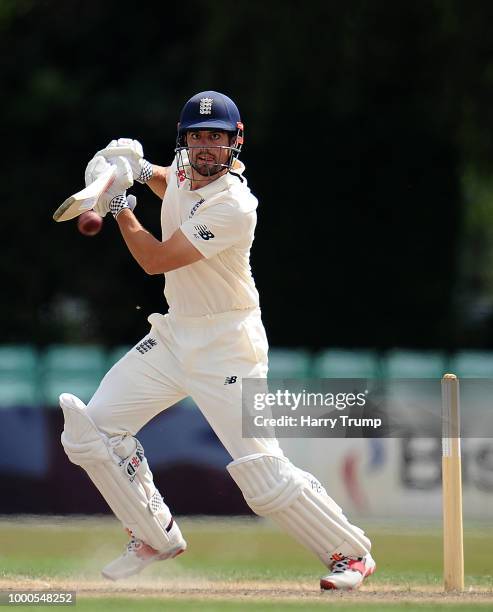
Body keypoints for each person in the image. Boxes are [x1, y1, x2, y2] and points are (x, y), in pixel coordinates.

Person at [59, 90, 375, 590]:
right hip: (175, 333)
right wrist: (138, 170)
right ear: (184, 141)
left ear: (236, 141)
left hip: (228, 342)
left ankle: (350, 553)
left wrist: (120, 206)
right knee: (89, 433)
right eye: (197, 137)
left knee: (261, 475)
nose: (206, 147)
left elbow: (155, 260)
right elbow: (174, 187)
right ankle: (153, 534)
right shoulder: (184, 172)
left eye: (217, 138)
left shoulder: (235, 206)